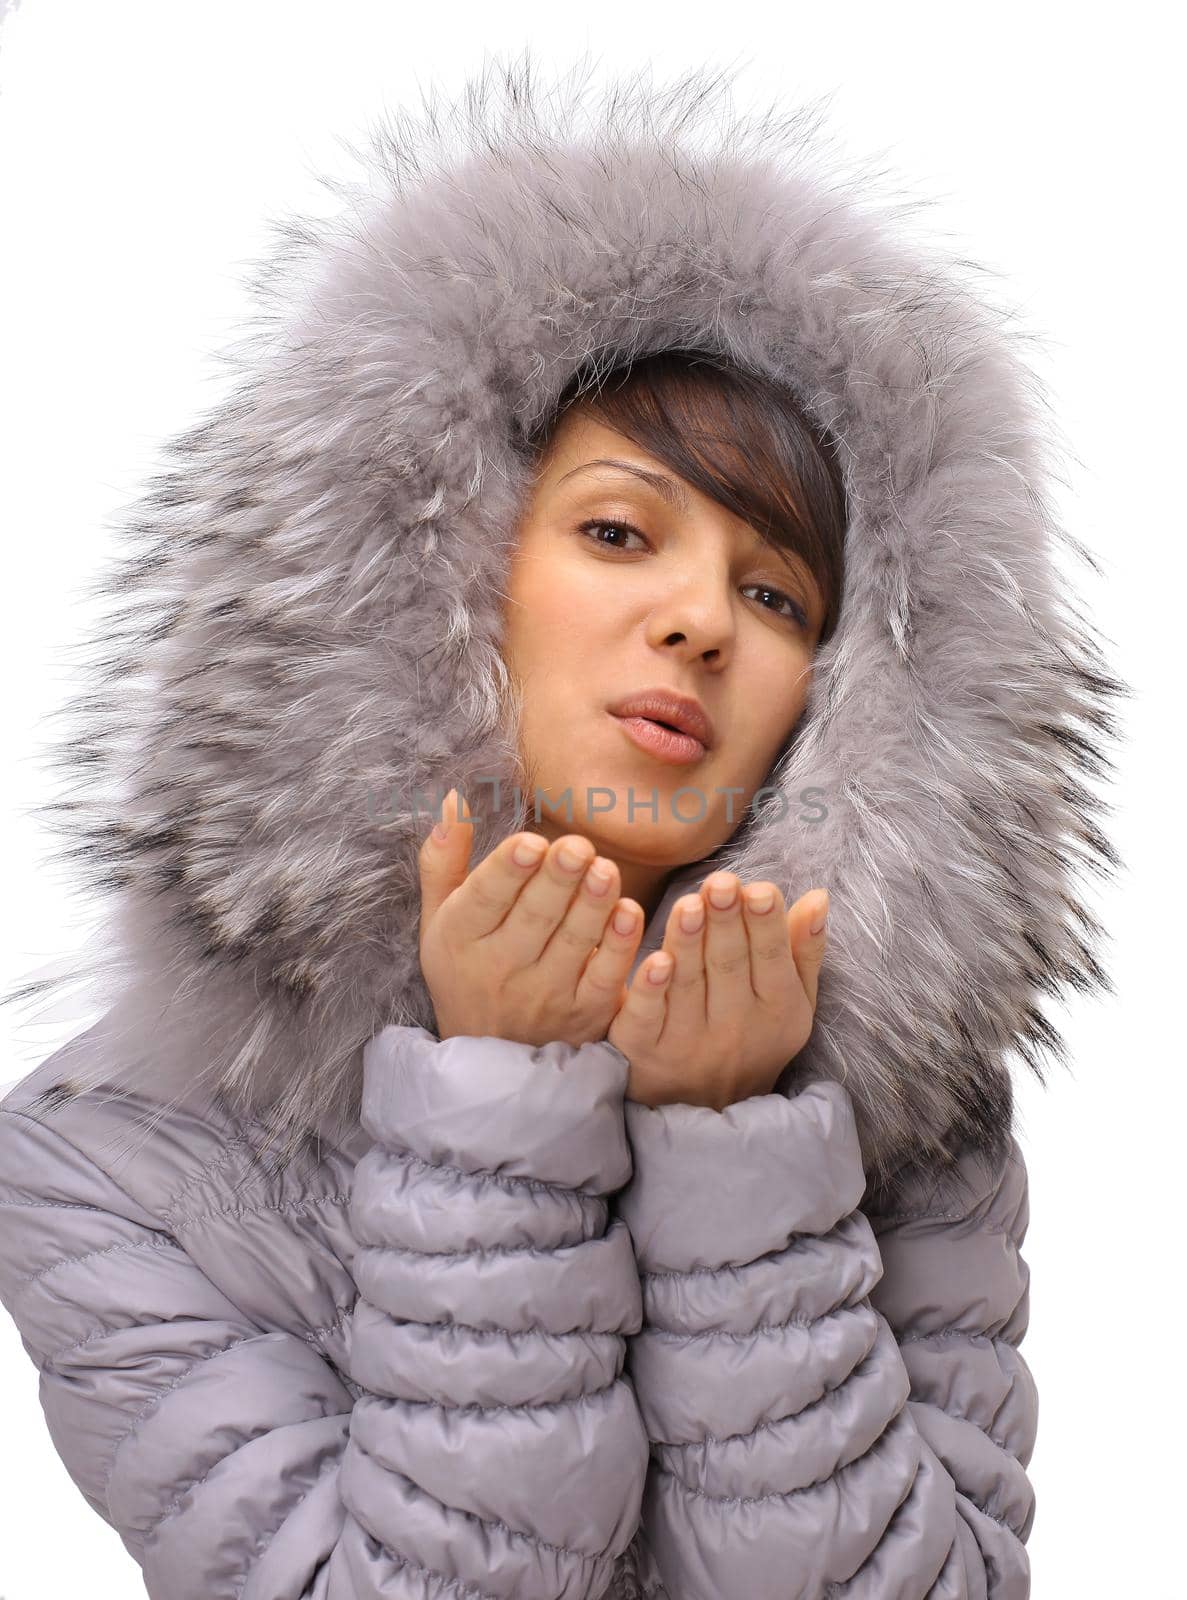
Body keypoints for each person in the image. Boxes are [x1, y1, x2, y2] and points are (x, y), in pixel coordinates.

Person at [0, 53, 1127, 1600]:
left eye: (778, 594)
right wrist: (498, 1118)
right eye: (616, 533)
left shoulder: (905, 1121)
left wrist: (739, 1153)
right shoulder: (112, 1155)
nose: (699, 625)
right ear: (444, 573)